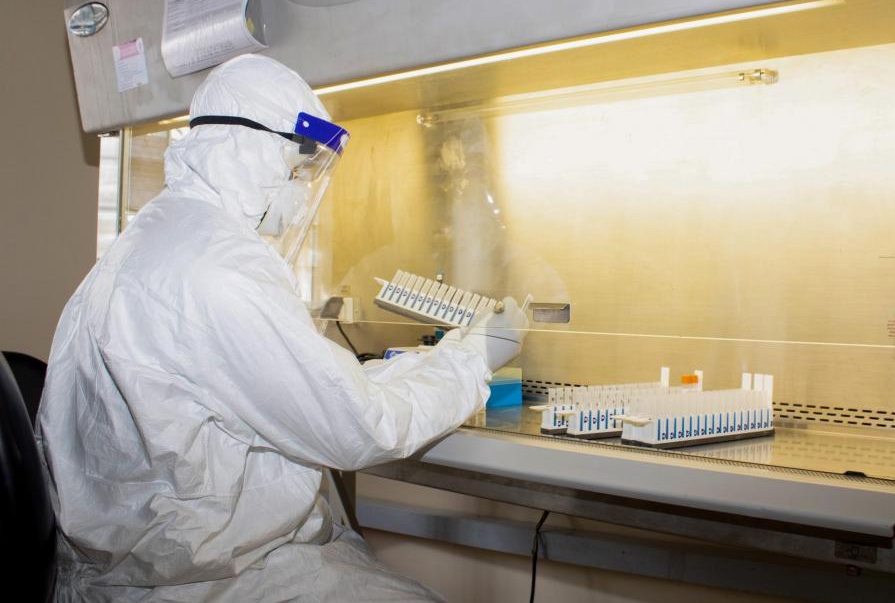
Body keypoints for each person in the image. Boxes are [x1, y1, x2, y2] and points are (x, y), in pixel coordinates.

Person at [36, 54, 528, 602]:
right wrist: (475, 356)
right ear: (247, 152)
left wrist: (425, 363)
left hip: (152, 562)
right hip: (201, 580)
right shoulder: (218, 270)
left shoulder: (159, 235)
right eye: (295, 170)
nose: (299, 193)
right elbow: (361, 427)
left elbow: (312, 390)